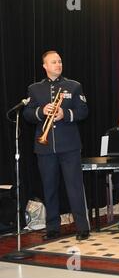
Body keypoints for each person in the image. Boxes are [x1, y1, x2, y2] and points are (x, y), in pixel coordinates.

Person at [23, 51, 90, 241]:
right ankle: (52, 227)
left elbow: (83, 110)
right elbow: (28, 114)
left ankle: (82, 227)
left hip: (69, 146)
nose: (58, 64)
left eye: (60, 61)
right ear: (44, 66)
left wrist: (65, 113)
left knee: (74, 187)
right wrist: (41, 111)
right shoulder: (34, 89)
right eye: (54, 62)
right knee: (49, 187)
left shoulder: (74, 86)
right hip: (45, 147)